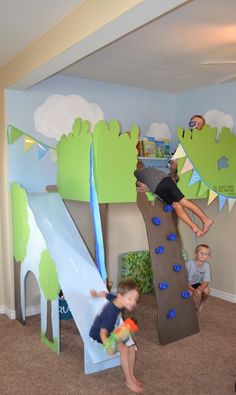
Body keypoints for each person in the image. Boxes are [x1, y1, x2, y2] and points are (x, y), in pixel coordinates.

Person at [89, 279, 143, 394]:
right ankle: (128, 381)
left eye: (135, 300)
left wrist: (96, 294)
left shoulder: (117, 299)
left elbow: (105, 294)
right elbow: (102, 333)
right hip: (98, 335)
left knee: (132, 346)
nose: (133, 303)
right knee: (124, 349)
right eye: (130, 299)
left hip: (112, 330)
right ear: (120, 296)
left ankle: (131, 376)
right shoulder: (110, 312)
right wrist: (109, 347)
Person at [134, 161, 213, 237]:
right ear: (143, 166)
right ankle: (204, 220)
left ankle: (195, 226)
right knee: (184, 202)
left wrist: (146, 187)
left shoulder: (137, 173)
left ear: (137, 167)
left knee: (176, 205)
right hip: (167, 180)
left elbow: (141, 185)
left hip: (158, 187)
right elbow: (171, 173)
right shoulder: (152, 169)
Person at [186, 244, 211, 312]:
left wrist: (199, 289)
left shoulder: (207, 266)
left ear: (208, 257)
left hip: (196, 283)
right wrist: (192, 289)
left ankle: (202, 302)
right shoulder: (189, 263)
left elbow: (206, 282)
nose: (203, 255)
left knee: (207, 290)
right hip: (186, 284)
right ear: (195, 254)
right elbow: (183, 279)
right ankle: (187, 306)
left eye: (206, 254)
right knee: (188, 294)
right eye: (201, 253)